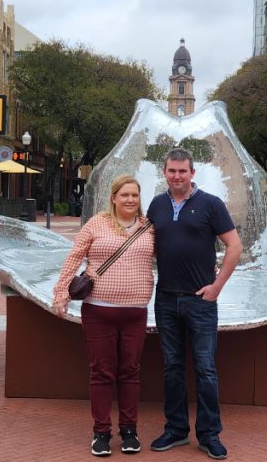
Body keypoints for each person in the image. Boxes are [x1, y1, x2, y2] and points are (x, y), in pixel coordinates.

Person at [146, 148, 242, 460]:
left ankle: (209, 434)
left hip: (200, 301)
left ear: (192, 173)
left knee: (205, 369)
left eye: (182, 171)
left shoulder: (211, 204)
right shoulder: (157, 205)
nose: (177, 176)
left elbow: (234, 246)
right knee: (172, 367)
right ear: (165, 172)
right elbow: (143, 246)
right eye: (171, 171)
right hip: (166, 299)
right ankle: (175, 430)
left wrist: (217, 286)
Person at [51, 175, 155, 457]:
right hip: (98, 311)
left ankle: (129, 431)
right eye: (124, 195)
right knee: (101, 372)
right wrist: (61, 292)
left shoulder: (149, 227)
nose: (130, 200)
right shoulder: (97, 223)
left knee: (130, 372)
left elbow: (172, 257)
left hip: (135, 313)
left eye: (134, 195)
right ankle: (101, 433)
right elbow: (74, 257)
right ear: (113, 198)